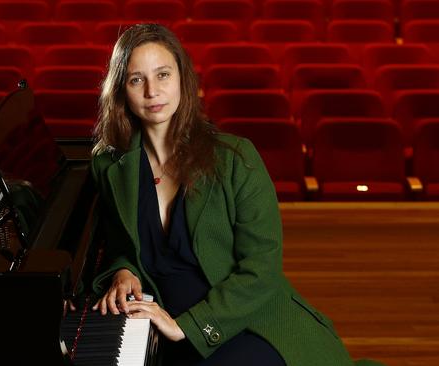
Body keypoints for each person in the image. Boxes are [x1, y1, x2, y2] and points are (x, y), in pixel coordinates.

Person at [88, 23, 378, 366]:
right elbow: (120, 245)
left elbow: (262, 269)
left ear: (183, 78)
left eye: (163, 74)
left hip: (248, 320)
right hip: (162, 324)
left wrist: (187, 327)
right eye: (137, 79)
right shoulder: (109, 164)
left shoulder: (237, 158)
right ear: (121, 89)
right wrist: (123, 272)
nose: (152, 91)